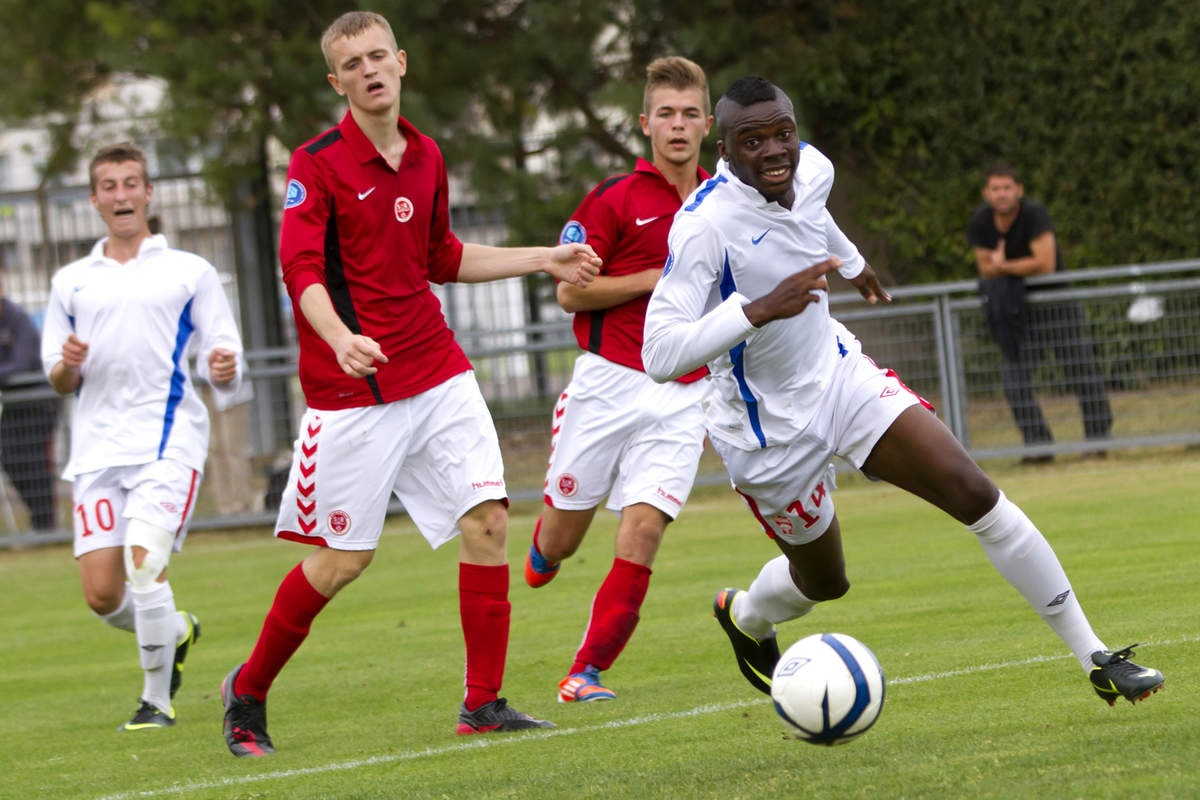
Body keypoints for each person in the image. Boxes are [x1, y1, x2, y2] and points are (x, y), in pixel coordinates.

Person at [641, 77, 1163, 710]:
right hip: (765, 433)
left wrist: (854, 264)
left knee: (973, 490)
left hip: (837, 378)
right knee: (823, 583)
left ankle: (1097, 657)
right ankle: (747, 616)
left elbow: (815, 219)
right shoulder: (702, 226)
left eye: (784, 132)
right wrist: (757, 310)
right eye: (754, 141)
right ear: (724, 152)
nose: (776, 150)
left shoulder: (813, 170)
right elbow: (660, 353)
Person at [219, 10, 600, 758]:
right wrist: (339, 338)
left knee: (489, 521)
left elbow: (442, 257)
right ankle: (248, 693)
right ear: (338, 81)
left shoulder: (426, 154)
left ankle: (483, 704)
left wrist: (545, 259)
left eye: (377, 57)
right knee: (342, 562)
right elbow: (298, 270)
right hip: (353, 391)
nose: (369, 71)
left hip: (436, 367)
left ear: (400, 62)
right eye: (351, 63)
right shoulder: (316, 162)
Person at [523, 56, 712, 703]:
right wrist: (651, 279)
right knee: (563, 538)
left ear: (708, 123)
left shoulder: (726, 203)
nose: (678, 125)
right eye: (666, 113)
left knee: (644, 527)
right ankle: (546, 546)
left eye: (690, 113)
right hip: (608, 383)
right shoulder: (614, 198)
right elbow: (571, 296)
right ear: (645, 124)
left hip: (685, 393)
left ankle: (586, 671)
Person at [41, 142, 245, 730]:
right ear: (94, 199)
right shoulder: (70, 282)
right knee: (103, 597)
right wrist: (69, 363)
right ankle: (175, 630)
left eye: (132, 183)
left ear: (148, 192)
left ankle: (156, 700)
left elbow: (219, 353)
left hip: (168, 442)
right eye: (109, 185)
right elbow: (58, 377)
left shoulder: (189, 271)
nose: (122, 194)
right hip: (98, 451)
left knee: (144, 562)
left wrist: (222, 369)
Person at [967, 164, 1113, 462]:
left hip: (1055, 304)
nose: (1002, 194)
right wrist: (1008, 268)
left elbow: (1044, 264)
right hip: (1015, 309)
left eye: (1007, 187)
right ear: (987, 193)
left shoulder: (1035, 214)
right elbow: (984, 267)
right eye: (995, 188)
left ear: (1018, 190)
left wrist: (1004, 267)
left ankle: (1098, 440)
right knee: (1014, 379)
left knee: (1080, 370)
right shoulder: (981, 221)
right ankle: (1039, 446)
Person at [0, 280, 59, 531]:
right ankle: (40, 520)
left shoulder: (17, 318)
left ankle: (46, 523)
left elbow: (23, 363)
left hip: (38, 404)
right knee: (12, 459)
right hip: (12, 405)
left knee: (36, 462)